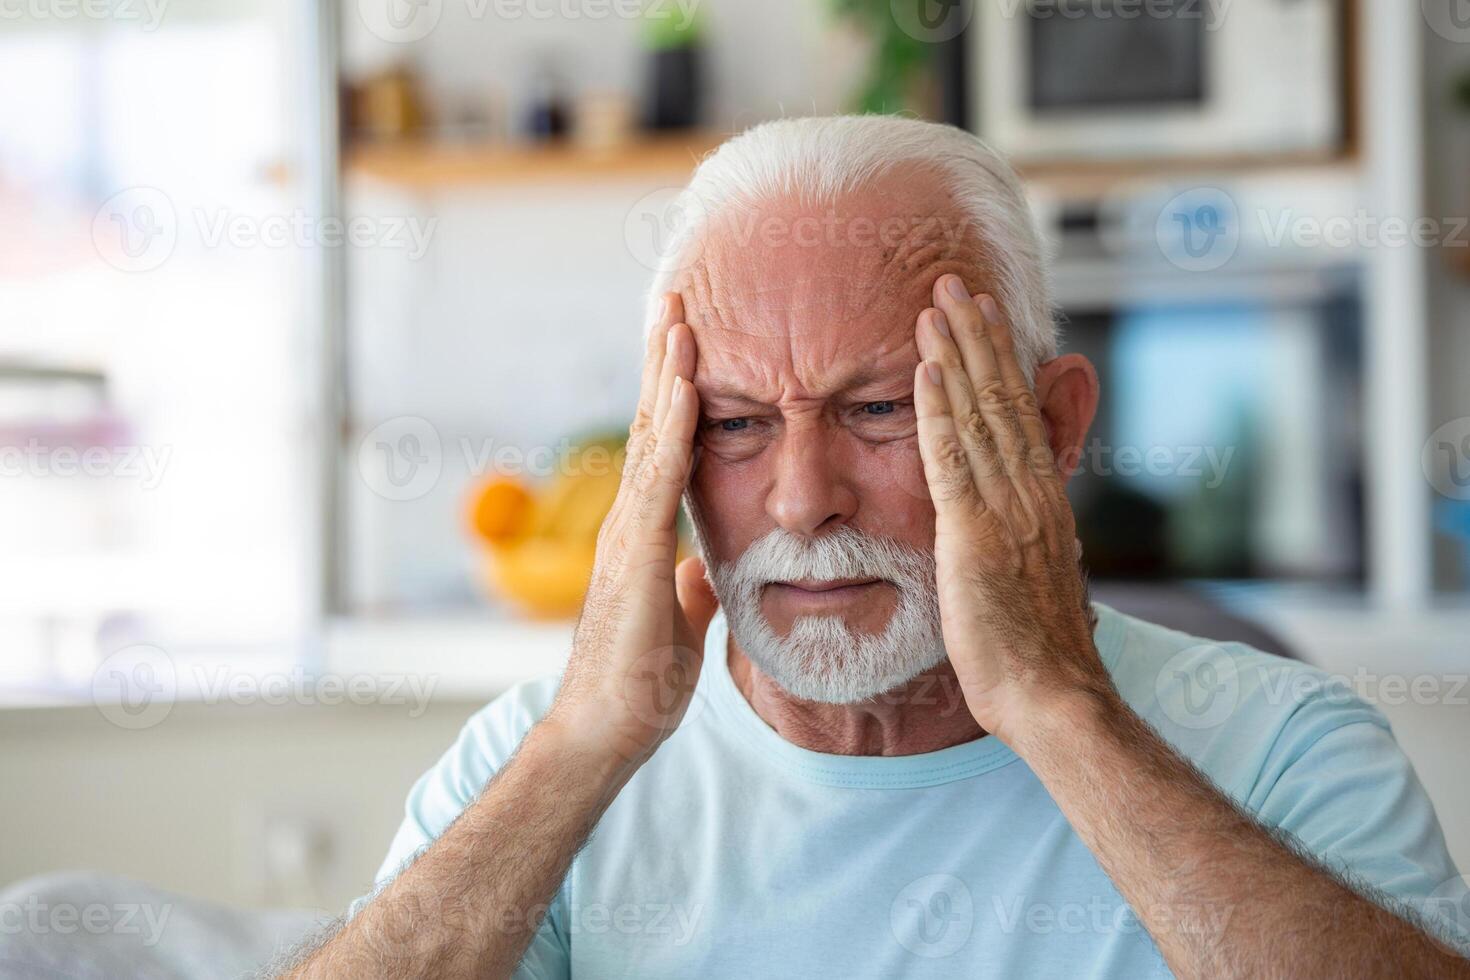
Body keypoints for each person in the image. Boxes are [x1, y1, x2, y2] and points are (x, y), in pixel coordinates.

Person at [282, 116, 1470, 978]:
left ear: (1051, 426)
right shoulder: (532, 763)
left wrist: (1057, 705)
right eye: (737, 424)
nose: (802, 500)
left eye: (880, 408)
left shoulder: (1284, 751)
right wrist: (581, 749)